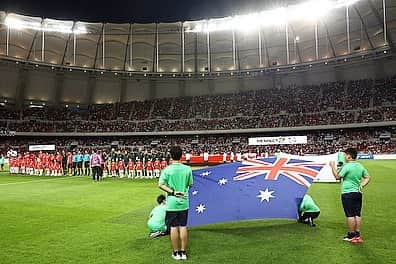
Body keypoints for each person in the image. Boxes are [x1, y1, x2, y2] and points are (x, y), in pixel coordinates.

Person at [158, 146, 193, 261]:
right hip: (184, 202)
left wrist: (173, 191)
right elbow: (190, 185)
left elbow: (161, 184)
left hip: (172, 203)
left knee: (173, 227)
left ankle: (176, 253)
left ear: (171, 156)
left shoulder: (167, 170)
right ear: (181, 155)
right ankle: (183, 252)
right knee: (183, 226)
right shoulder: (187, 169)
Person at [330, 148, 370, 243]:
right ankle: (357, 234)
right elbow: (367, 177)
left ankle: (351, 235)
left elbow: (337, 177)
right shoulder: (360, 166)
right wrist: (362, 185)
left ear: (349, 156)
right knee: (357, 214)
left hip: (348, 193)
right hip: (358, 193)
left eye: (345, 156)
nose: (344, 157)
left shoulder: (347, 166)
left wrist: (332, 166)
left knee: (350, 215)